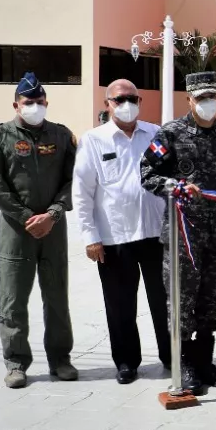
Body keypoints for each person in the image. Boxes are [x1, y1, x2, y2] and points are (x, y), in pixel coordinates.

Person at [140, 71, 216, 396]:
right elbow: (146, 173)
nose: (207, 103)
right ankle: (185, 364)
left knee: (211, 299)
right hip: (182, 235)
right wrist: (174, 187)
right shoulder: (170, 134)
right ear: (188, 99)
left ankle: (205, 362)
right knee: (181, 300)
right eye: (200, 98)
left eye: (211, 97)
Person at [0, 72, 77, 389]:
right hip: (15, 233)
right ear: (16, 104)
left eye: (39, 102)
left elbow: (73, 180)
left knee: (57, 298)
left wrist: (53, 213)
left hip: (53, 231)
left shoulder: (61, 137)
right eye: (28, 102)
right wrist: (26, 217)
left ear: (46, 103)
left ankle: (60, 360)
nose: (34, 106)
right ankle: (16, 363)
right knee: (12, 300)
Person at [72, 79, 169, 384]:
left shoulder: (156, 134)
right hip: (114, 237)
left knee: (165, 300)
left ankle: (171, 354)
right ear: (108, 104)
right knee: (120, 304)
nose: (127, 104)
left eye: (133, 98)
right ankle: (126, 361)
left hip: (156, 234)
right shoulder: (94, 140)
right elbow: (82, 191)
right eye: (120, 99)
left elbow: (170, 177)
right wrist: (90, 237)